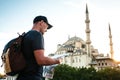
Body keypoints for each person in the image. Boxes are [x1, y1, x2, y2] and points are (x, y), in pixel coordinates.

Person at [16, 15, 60, 80]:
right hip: (32, 77)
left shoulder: (25, 36)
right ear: (41, 22)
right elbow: (41, 60)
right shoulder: (37, 35)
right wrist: (57, 61)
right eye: (47, 26)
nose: (46, 30)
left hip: (22, 76)